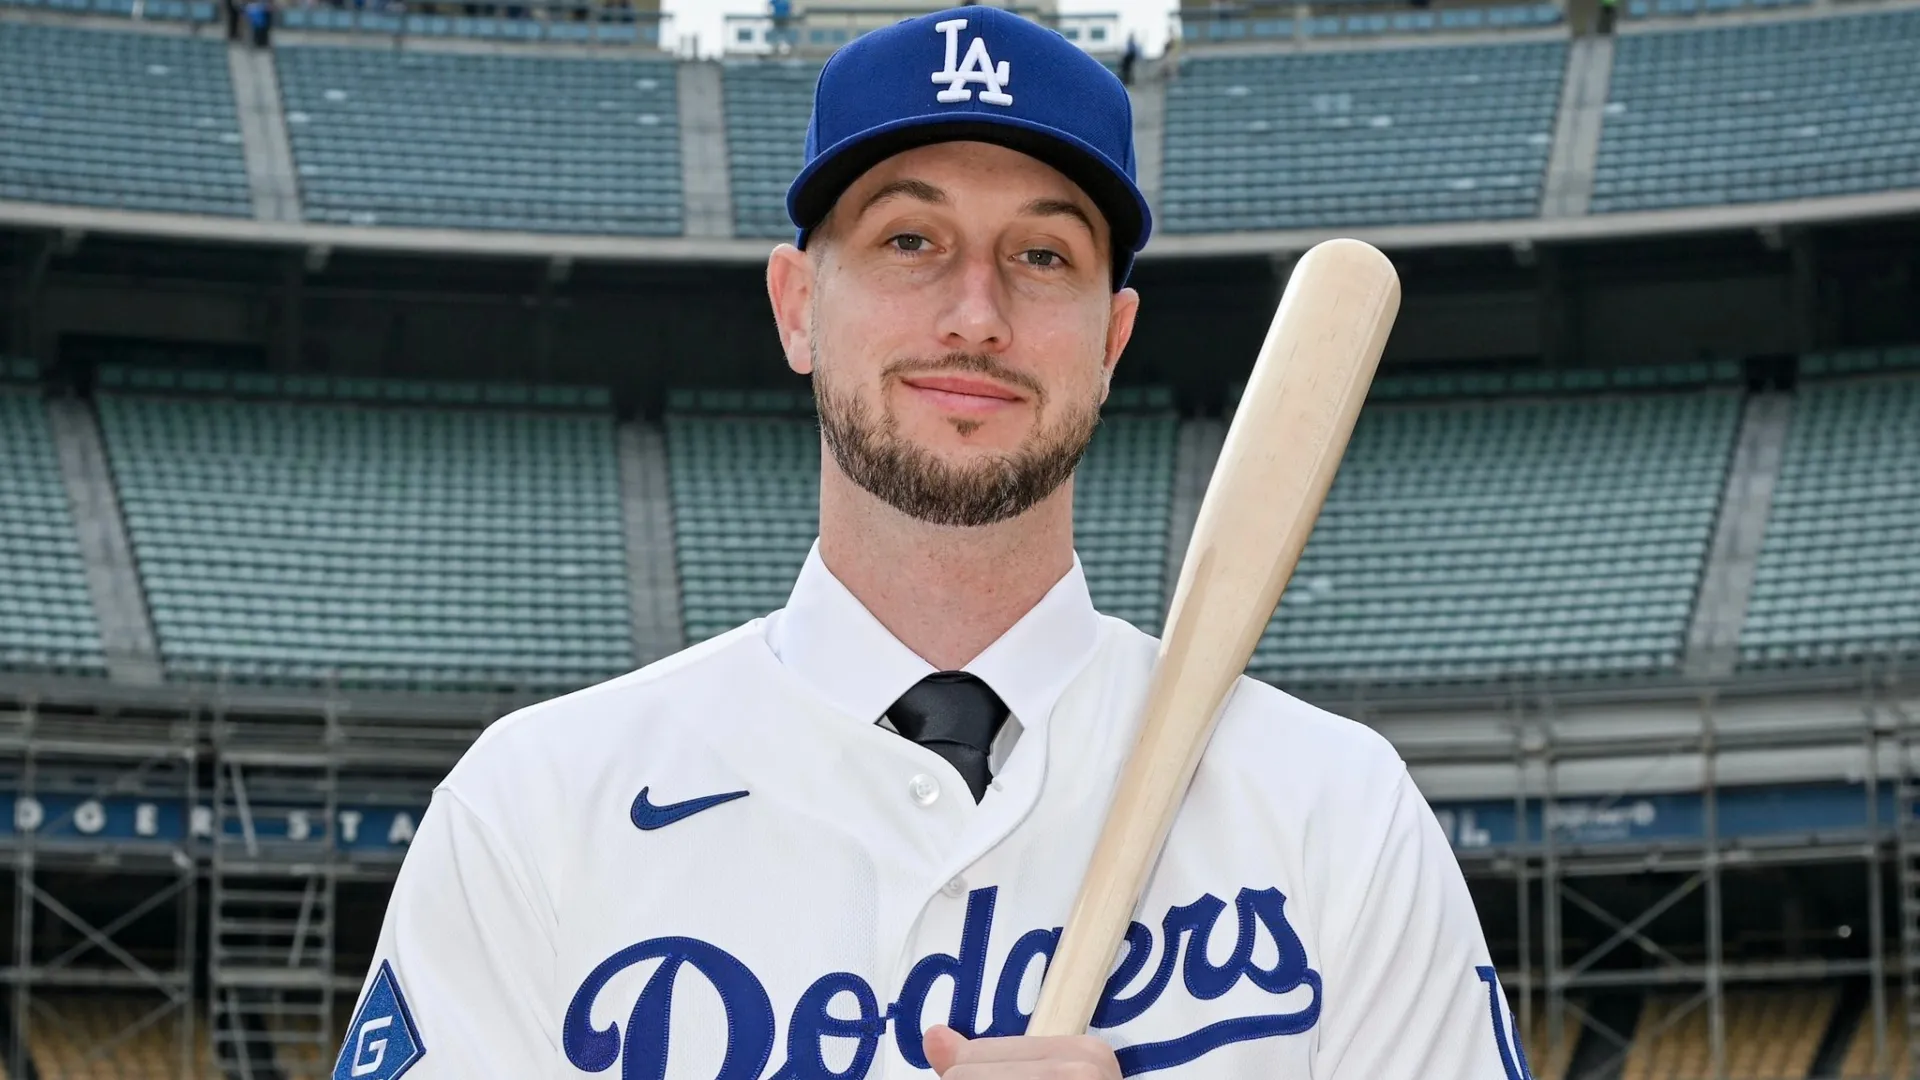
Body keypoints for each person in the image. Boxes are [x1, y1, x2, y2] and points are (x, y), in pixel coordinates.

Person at [336, 8, 1525, 1080]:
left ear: (1112, 340)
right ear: (799, 305)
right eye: (911, 240)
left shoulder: (1333, 809)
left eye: (1042, 254)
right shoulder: (536, 807)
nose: (976, 313)